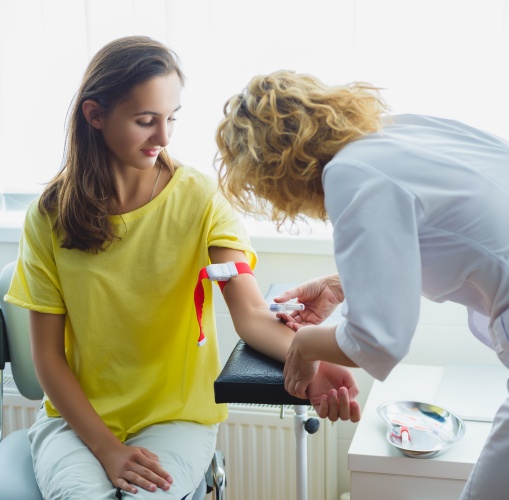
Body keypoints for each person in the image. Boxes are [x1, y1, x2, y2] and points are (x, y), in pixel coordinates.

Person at [215, 69, 509, 499]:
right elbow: (458, 235)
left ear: (273, 173)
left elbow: (378, 341)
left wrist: (306, 347)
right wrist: (343, 284)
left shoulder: (351, 175)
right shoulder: (400, 134)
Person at [4, 40, 360, 499]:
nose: (163, 138)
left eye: (171, 118)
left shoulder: (200, 199)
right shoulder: (48, 216)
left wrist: (311, 359)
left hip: (175, 420)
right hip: (75, 423)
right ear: (95, 115)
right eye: (145, 121)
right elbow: (48, 358)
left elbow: (250, 315)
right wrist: (108, 448)